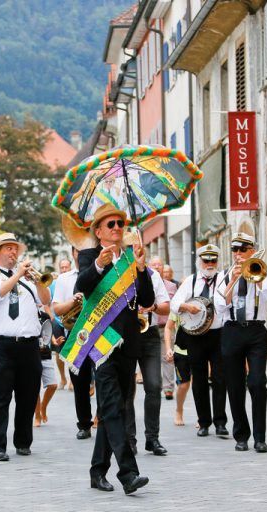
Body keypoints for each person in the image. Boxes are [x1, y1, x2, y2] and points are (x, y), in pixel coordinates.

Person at [76, 204, 154, 495]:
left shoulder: (132, 258)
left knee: (115, 408)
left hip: (129, 343)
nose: (118, 229)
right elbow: (82, 285)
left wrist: (143, 268)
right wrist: (98, 264)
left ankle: (98, 471)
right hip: (102, 343)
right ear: (98, 231)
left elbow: (146, 298)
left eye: (121, 224)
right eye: (111, 224)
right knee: (110, 407)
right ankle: (128, 472)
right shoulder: (89, 256)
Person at [0, 233, 50, 461]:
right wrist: (18, 274)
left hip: (28, 346)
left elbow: (45, 300)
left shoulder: (27, 279)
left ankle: (23, 441)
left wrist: (38, 281)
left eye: (15, 249)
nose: (13, 253)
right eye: (8, 248)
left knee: (28, 396)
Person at [216, 232, 267, 453]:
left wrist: (255, 278)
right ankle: (241, 435)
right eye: (235, 250)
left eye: (243, 249)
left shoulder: (262, 270)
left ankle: (260, 437)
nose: (239, 254)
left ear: (252, 250)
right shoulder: (224, 275)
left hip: (256, 331)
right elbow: (220, 307)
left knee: (258, 383)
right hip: (232, 330)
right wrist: (233, 279)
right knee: (235, 385)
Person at [169, 244, 229, 439]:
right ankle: (204, 422)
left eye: (213, 260)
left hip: (218, 334)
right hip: (196, 336)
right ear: (200, 262)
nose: (210, 264)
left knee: (220, 378)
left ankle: (220, 423)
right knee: (199, 379)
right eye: (206, 260)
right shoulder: (191, 281)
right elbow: (174, 303)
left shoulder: (224, 279)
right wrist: (187, 306)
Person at [125, 247, 170, 456]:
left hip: (149, 334)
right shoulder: (118, 275)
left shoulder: (153, 276)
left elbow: (165, 307)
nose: (134, 254)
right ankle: (130, 440)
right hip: (125, 335)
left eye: (137, 251)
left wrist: (150, 308)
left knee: (153, 385)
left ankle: (152, 438)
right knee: (128, 390)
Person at [52, 247, 95, 440]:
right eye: (79, 250)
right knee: (80, 382)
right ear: (73, 253)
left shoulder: (101, 272)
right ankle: (84, 424)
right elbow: (57, 310)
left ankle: (102, 417)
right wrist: (72, 301)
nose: (84, 254)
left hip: (99, 333)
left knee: (105, 379)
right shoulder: (64, 279)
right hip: (76, 335)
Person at [149, 257, 178, 400]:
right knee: (153, 358)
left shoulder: (172, 286)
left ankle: (168, 388)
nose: (157, 266)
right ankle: (155, 383)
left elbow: (175, 306)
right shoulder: (147, 283)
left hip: (168, 326)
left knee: (168, 357)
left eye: (159, 264)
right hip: (152, 326)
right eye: (154, 264)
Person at [163, 311, 190, 426]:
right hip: (180, 350)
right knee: (184, 385)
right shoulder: (177, 306)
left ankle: (202, 417)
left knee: (200, 384)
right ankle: (179, 410)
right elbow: (168, 328)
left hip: (200, 349)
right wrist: (168, 348)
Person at [52, 258, 72, 390]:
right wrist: (51, 317)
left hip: (72, 320)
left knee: (72, 350)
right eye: (62, 267)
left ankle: (72, 380)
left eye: (66, 267)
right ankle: (63, 378)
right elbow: (47, 302)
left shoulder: (74, 279)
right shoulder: (54, 283)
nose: (64, 269)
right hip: (58, 321)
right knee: (59, 352)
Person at [34, 331, 58, 427]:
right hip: (31, 355)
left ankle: (43, 407)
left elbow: (49, 332)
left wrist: (53, 341)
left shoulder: (45, 316)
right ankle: (37, 416)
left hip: (46, 356)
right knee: (35, 388)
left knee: (53, 385)